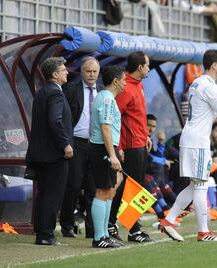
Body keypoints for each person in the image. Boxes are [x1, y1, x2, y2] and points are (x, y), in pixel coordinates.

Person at [158, 49, 217, 242]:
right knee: (201, 185)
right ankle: (203, 232)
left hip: (191, 138)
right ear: (214, 65)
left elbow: (209, 110)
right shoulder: (210, 86)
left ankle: (168, 221)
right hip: (198, 142)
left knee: (196, 186)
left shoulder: (198, 83)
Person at [26, 57, 73, 246]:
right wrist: (65, 144)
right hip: (54, 154)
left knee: (44, 193)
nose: (67, 72)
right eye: (63, 69)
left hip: (42, 153)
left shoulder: (42, 92)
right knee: (52, 194)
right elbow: (55, 121)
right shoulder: (55, 93)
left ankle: (41, 231)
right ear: (54, 74)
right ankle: (46, 234)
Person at [108, 51, 154, 243]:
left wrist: (145, 136)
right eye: (148, 65)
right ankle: (129, 228)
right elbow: (114, 117)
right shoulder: (125, 88)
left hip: (139, 143)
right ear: (140, 67)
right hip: (129, 147)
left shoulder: (138, 86)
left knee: (134, 187)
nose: (149, 68)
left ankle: (118, 224)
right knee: (131, 188)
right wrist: (118, 147)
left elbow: (137, 116)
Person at [59, 56, 99, 239]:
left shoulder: (103, 93)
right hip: (77, 142)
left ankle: (92, 229)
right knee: (73, 185)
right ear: (81, 72)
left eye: (94, 71)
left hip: (96, 144)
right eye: (88, 71)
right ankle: (67, 224)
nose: (91, 75)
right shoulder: (71, 90)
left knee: (93, 189)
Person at [89, 65, 126, 248]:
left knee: (109, 191)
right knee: (103, 191)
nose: (125, 83)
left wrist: (115, 149)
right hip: (101, 149)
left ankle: (104, 234)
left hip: (106, 148)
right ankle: (99, 237)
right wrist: (112, 154)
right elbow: (105, 128)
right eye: (124, 80)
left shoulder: (107, 98)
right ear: (116, 81)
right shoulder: (106, 99)